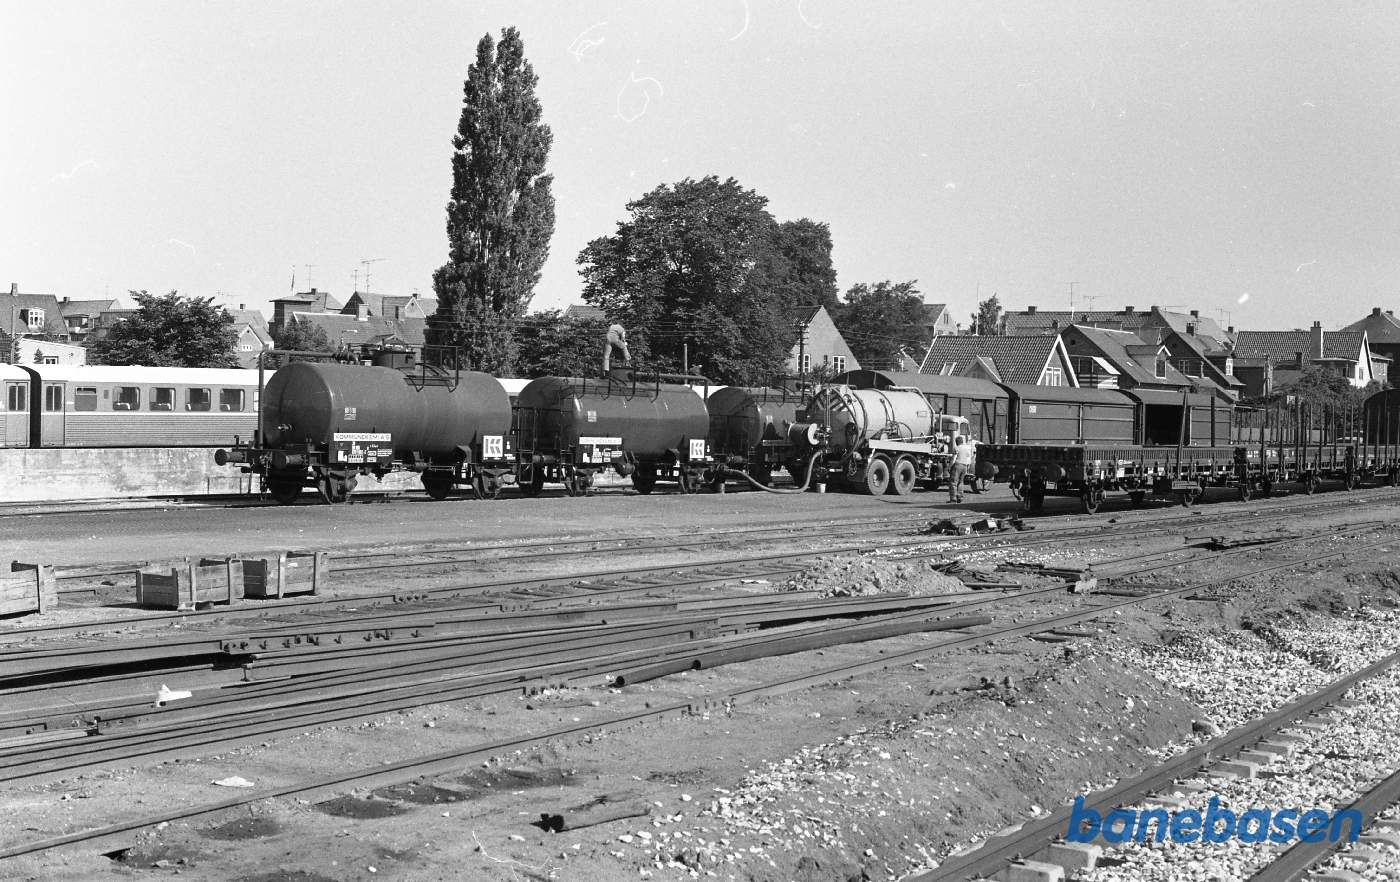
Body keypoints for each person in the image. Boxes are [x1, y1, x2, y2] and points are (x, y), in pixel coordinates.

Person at [949, 435, 974, 503]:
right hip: (965, 466)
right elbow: (969, 458)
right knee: (961, 482)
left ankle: (953, 498)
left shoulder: (957, 448)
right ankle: (960, 497)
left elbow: (954, 458)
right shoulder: (967, 448)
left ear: (956, 442)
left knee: (953, 482)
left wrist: (950, 466)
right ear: (962, 441)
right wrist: (968, 466)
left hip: (957, 465)